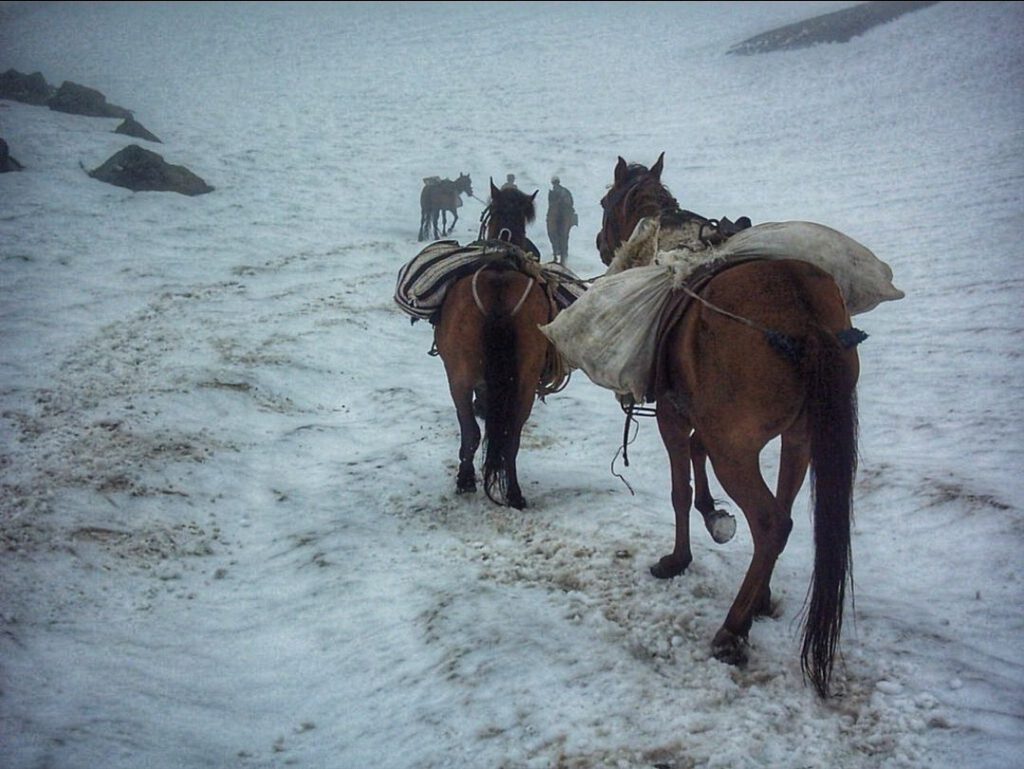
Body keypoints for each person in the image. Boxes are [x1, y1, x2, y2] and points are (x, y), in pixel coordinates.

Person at [546, 176, 576, 264]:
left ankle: (560, 257)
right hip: (559, 218)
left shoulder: (562, 192)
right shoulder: (559, 192)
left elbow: (569, 203)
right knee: (558, 236)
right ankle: (558, 256)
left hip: (562, 217)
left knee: (560, 237)